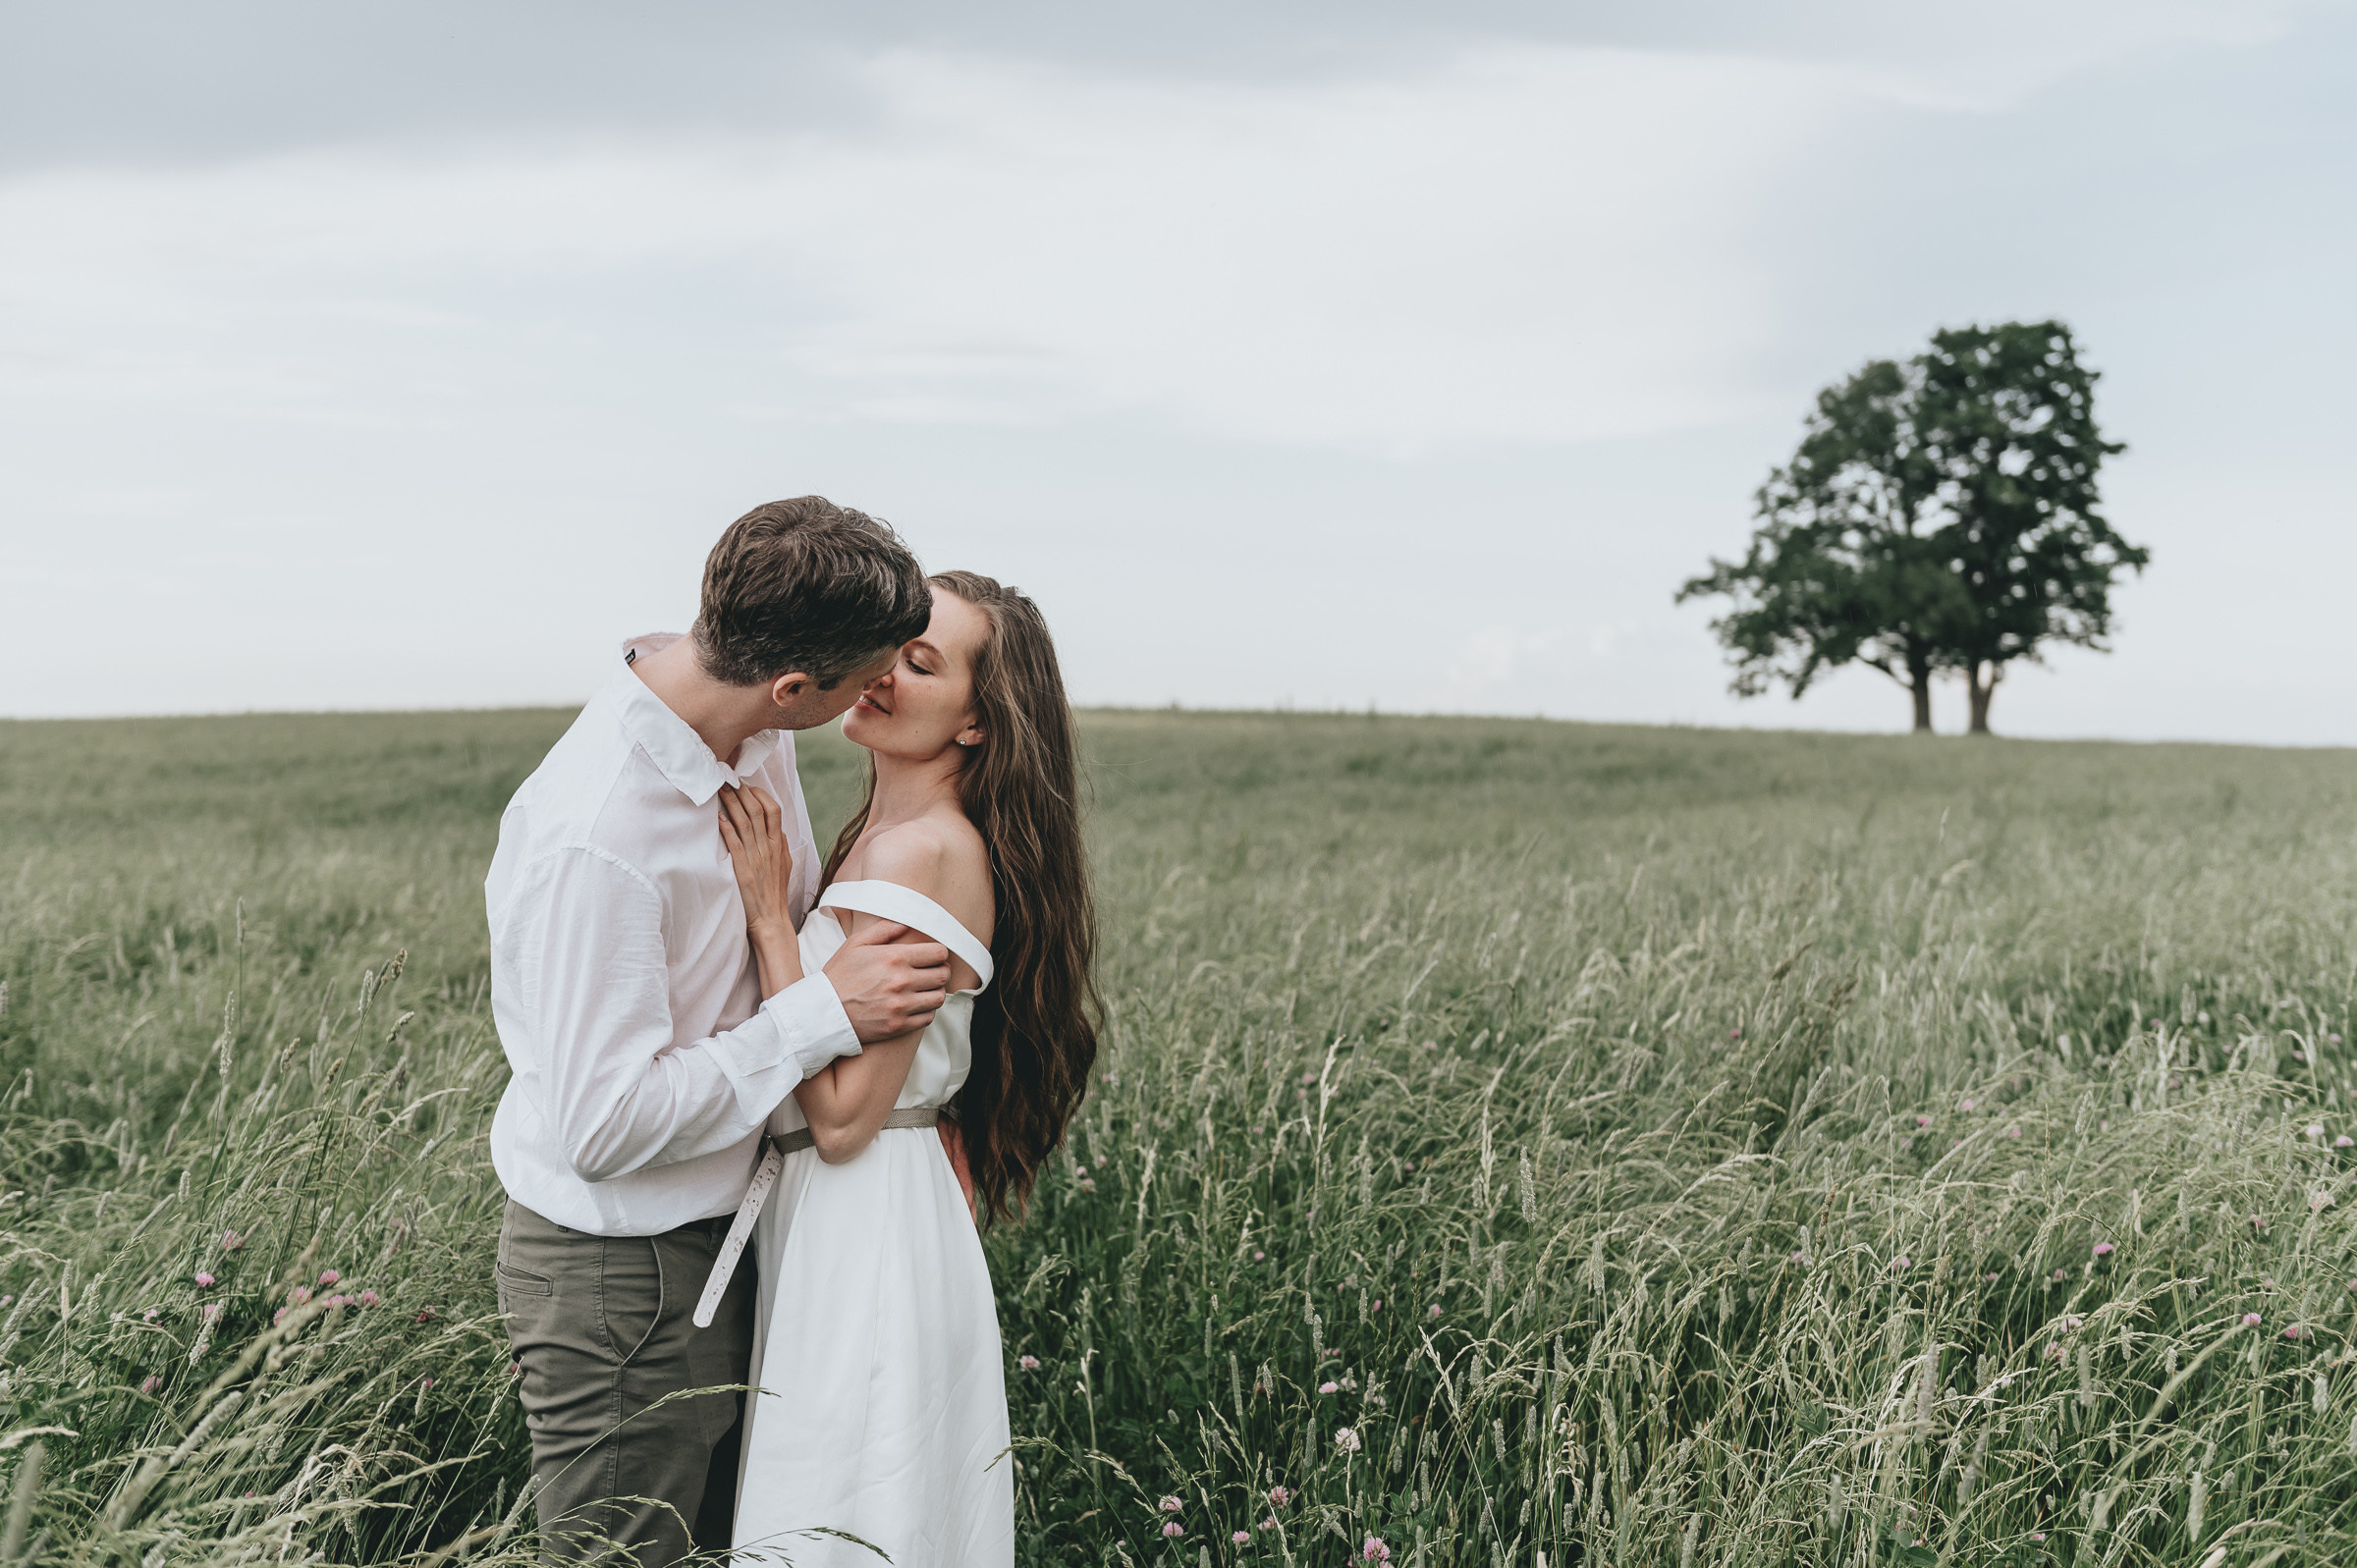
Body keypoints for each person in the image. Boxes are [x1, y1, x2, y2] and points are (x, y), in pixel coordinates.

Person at [485, 498, 962, 1565]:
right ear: (795, 688)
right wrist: (819, 1013)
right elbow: (601, 1127)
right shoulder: (600, 841)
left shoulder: (748, 729)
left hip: (738, 1235)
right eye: (858, 681)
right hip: (622, 1278)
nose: (873, 694)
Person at [711, 570, 1099, 1565]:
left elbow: (842, 1118)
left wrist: (767, 919)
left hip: (862, 1217)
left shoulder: (917, 855)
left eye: (920, 663)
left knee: (841, 1514)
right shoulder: (889, 841)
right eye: (889, 645)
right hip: (868, 1211)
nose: (883, 671)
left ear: (977, 723)